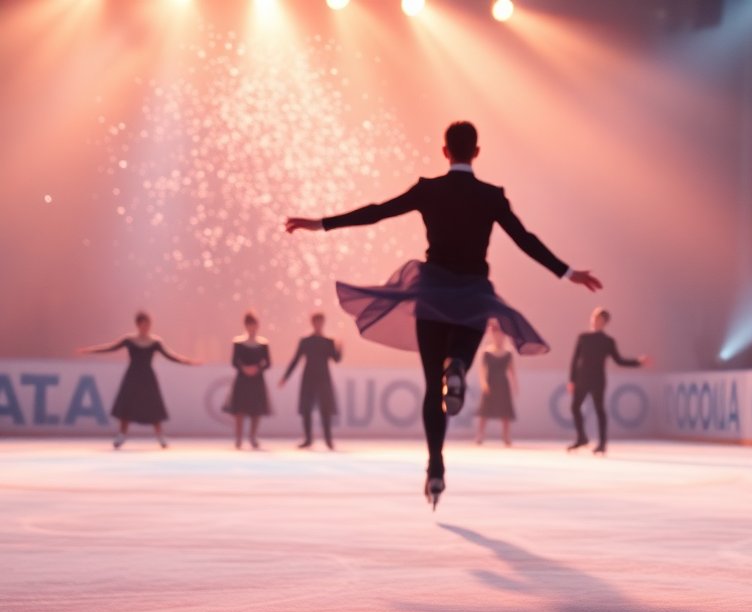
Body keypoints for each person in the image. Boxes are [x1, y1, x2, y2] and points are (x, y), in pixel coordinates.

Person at [285, 121, 602, 508]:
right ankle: (460, 368)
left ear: (445, 151)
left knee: (432, 387)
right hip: (472, 294)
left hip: (432, 292)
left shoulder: (429, 189)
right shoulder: (491, 196)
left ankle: (435, 467)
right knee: (463, 352)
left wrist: (321, 223)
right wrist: (567, 272)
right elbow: (525, 239)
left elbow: (377, 213)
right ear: (477, 152)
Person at [76, 311, 200, 449]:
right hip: (132, 376)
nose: (146, 327)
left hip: (147, 377)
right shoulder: (129, 339)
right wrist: (90, 350)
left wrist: (187, 361)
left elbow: (170, 356)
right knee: (127, 405)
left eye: (148, 324)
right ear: (138, 325)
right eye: (144, 324)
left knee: (153, 406)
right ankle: (121, 435)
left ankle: (160, 437)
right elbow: (110, 348)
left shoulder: (155, 341)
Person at [568, 308, 650, 455]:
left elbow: (619, 361)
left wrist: (638, 362)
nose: (595, 321)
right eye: (594, 317)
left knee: (600, 410)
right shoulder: (583, 337)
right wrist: (572, 380)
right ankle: (581, 438)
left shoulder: (608, 341)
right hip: (582, 378)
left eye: (599, 319)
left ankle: (602, 443)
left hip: (597, 379)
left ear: (605, 322)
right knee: (575, 408)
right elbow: (575, 360)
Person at [279, 311, 342, 450]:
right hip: (308, 378)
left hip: (324, 379)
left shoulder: (328, 342)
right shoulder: (306, 341)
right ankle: (308, 439)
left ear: (323, 323)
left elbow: (336, 359)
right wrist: (285, 377)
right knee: (306, 408)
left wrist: (339, 348)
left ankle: (328, 440)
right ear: (312, 323)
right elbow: (295, 360)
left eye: (320, 321)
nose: (318, 324)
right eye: (316, 321)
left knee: (326, 410)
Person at [223, 311, 272, 450]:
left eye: (254, 324)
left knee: (256, 410)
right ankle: (238, 438)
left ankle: (252, 436)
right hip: (242, 379)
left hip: (257, 380)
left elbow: (268, 363)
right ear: (246, 325)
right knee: (239, 409)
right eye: (249, 324)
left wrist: (257, 369)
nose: (252, 327)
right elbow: (234, 362)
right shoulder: (238, 342)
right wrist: (244, 369)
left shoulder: (263, 343)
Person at [475, 319, 518, 446]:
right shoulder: (486, 352)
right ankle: (480, 435)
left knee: (505, 412)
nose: (498, 337)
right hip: (490, 383)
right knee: (485, 411)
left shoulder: (508, 353)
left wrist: (514, 385)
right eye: (496, 334)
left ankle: (506, 436)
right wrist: (483, 383)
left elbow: (512, 371)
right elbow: (482, 370)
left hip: (503, 383)